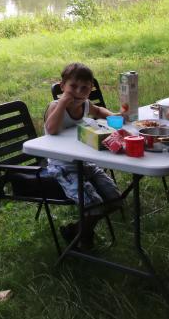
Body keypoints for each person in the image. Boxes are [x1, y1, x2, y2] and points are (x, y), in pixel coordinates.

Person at [42, 62, 123, 248]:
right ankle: (83, 239)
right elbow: (51, 129)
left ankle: (75, 230)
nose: (78, 91)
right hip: (63, 166)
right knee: (93, 205)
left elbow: (98, 110)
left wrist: (112, 116)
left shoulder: (86, 104)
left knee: (115, 199)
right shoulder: (55, 105)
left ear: (90, 89)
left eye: (84, 88)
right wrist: (63, 102)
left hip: (86, 163)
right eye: (73, 86)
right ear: (62, 87)